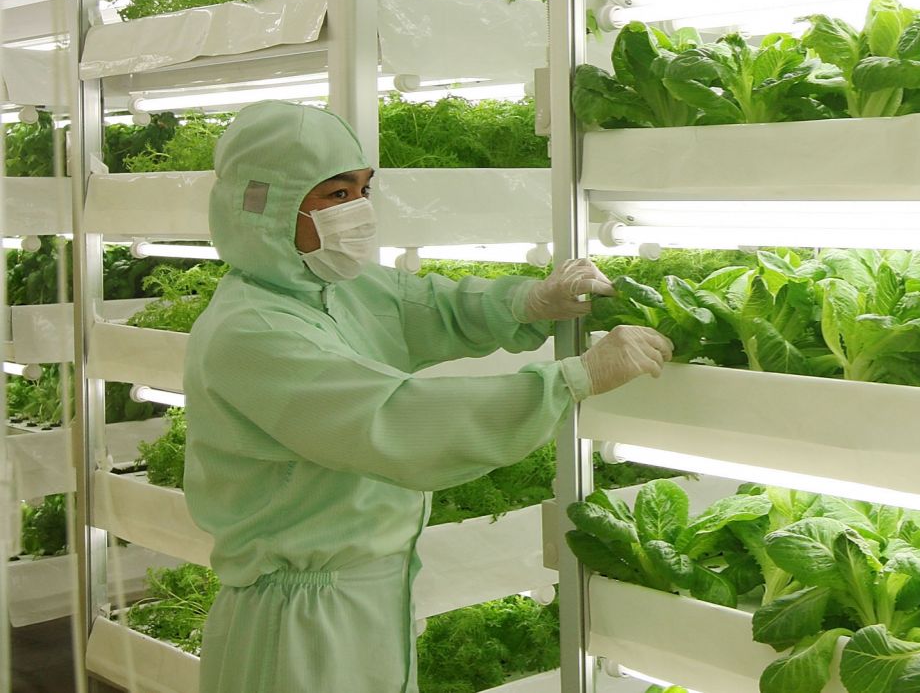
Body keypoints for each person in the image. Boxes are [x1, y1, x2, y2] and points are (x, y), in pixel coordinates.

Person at [181, 101, 671, 692]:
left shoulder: (333, 286)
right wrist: (573, 379)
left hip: (368, 595)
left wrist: (529, 301)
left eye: (364, 190)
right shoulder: (251, 331)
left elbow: (429, 307)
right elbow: (393, 420)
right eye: (336, 195)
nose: (359, 212)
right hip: (301, 623)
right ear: (265, 207)